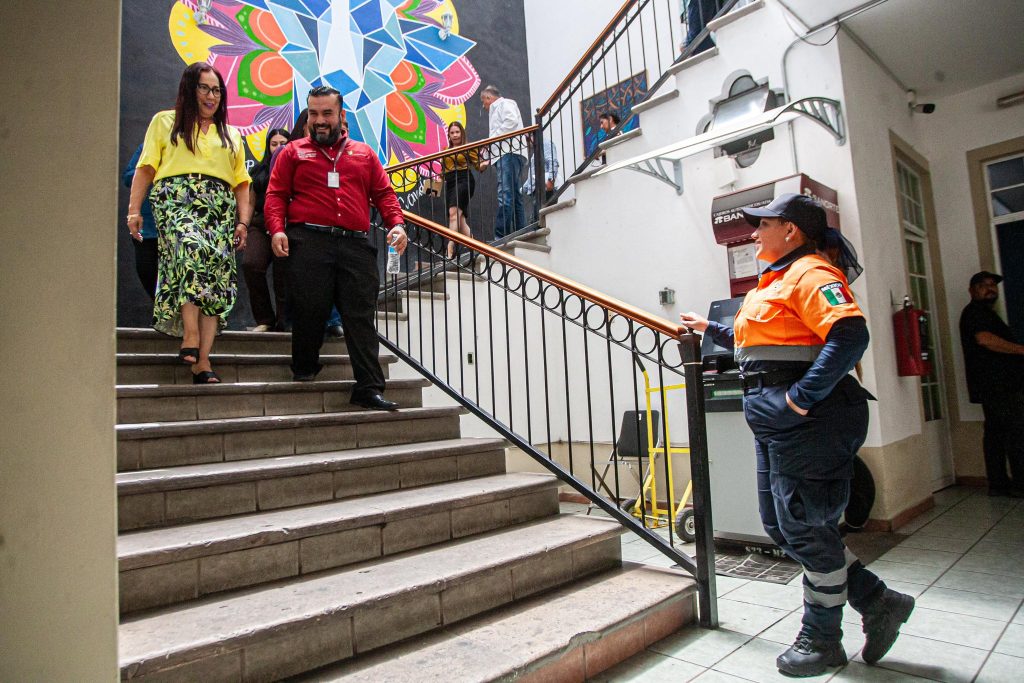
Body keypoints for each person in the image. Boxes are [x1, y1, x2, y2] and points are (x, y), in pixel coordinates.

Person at [680, 194, 914, 677]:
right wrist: (710, 329)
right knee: (781, 525)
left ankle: (823, 639)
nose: (753, 233)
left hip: (810, 421)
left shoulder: (812, 273)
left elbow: (850, 336)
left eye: (762, 224)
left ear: (790, 230)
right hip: (777, 422)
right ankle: (878, 600)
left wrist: (800, 400)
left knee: (804, 528)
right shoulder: (775, 280)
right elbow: (759, 340)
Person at [265, 86, 407, 411]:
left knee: (360, 317)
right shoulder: (292, 152)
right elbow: (275, 195)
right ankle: (304, 366)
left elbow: (384, 194)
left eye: (326, 113)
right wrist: (277, 229)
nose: (319, 120)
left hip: (355, 245)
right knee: (309, 310)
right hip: (309, 241)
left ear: (341, 115)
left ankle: (368, 388)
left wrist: (397, 224)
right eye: (313, 113)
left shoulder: (364, 154)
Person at [128, 62, 251, 384]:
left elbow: (241, 182)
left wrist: (243, 223)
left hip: (219, 207)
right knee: (189, 250)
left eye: (217, 90)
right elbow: (145, 167)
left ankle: (203, 361)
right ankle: (190, 334)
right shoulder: (164, 122)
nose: (211, 96)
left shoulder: (231, 134)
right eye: (204, 88)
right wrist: (133, 210)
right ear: (189, 89)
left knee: (216, 284)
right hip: (176, 198)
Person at [958, 270, 1024, 497]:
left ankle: (999, 484)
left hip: (996, 386)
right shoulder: (975, 313)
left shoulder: (986, 313)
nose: (990, 289)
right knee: (1014, 432)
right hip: (998, 385)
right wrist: (1020, 349)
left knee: (997, 433)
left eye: (992, 285)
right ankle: (1018, 483)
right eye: (983, 285)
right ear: (972, 290)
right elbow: (984, 339)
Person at [243, 127, 290, 332]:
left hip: (287, 226)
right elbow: (250, 202)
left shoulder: (295, 168)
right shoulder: (258, 171)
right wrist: (243, 224)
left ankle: (284, 321)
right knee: (251, 264)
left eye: (283, 143)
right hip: (261, 224)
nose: (278, 148)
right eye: (274, 144)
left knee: (283, 274)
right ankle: (264, 319)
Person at [480, 85, 525, 239]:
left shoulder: (505, 104)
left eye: (483, 101)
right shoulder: (500, 108)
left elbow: (511, 121)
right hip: (510, 154)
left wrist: (491, 140)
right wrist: (488, 154)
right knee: (514, 195)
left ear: (488, 97)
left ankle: (500, 236)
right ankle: (521, 231)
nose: (483, 106)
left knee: (505, 194)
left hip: (508, 154)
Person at [441, 121, 487, 259]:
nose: (455, 135)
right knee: (460, 221)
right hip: (450, 183)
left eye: (457, 132)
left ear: (462, 133)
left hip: (464, 180)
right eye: (452, 133)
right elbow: (443, 171)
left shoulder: (468, 147)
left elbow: (479, 166)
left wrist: (485, 163)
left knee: (453, 213)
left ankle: (450, 248)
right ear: (449, 135)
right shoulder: (445, 150)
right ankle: (476, 247)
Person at [122, 143, 159, 299]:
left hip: (179, 229)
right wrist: (151, 171)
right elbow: (128, 177)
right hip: (148, 229)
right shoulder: (149, 145)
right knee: (147, 273)